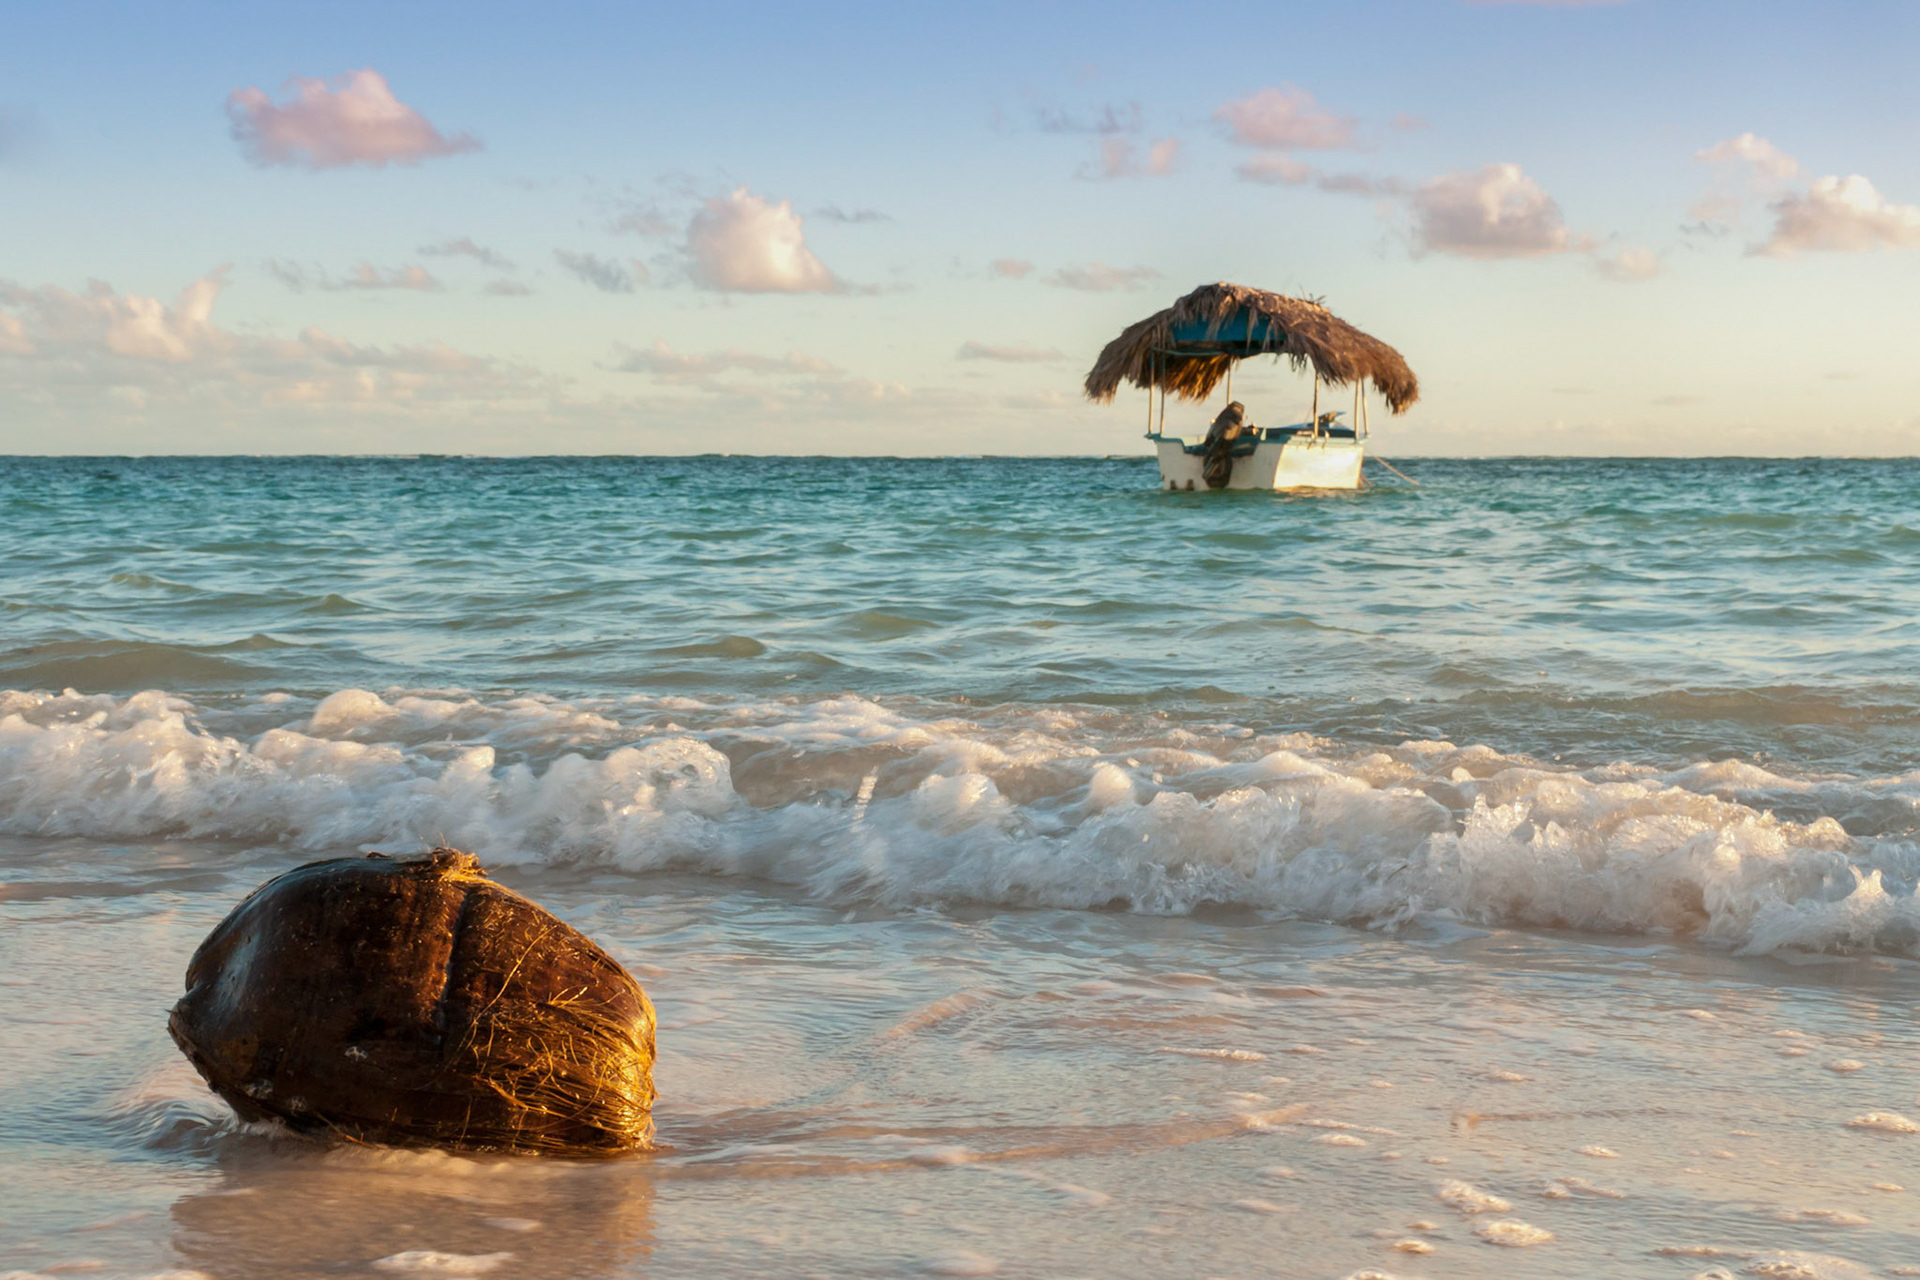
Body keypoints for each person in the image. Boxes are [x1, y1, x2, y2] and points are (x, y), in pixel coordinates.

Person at [1202, 401, 1249, 489]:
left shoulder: (1225, 420)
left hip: (1219, 446)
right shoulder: (1235, 421)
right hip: (1221, 446)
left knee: (1219, 451)